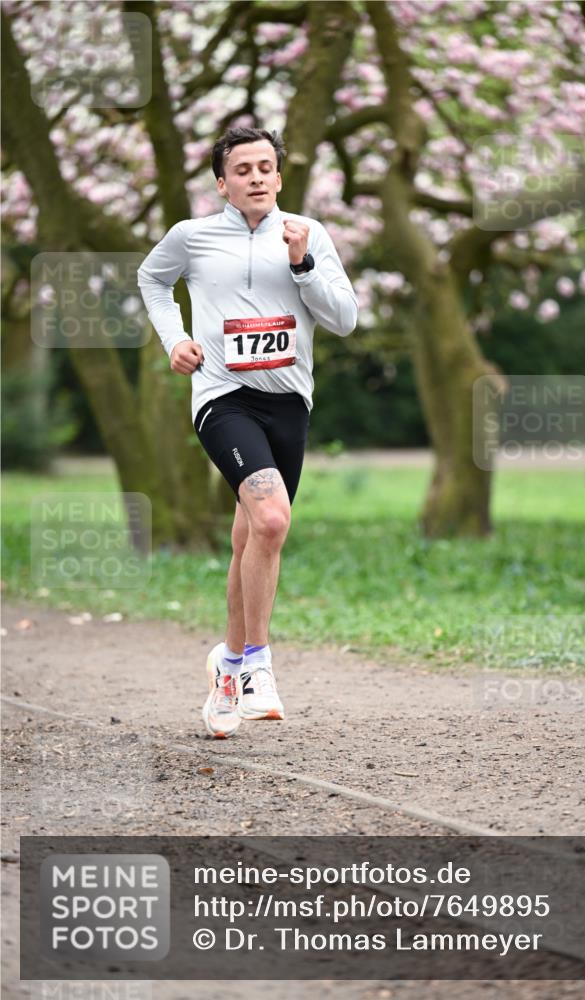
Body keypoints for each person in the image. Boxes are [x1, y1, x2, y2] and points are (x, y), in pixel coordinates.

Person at [137, 126, 358, 739]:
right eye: (242, 169)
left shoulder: (309, 235)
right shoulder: (193, 237)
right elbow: (152, 280)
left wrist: (302, 262)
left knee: (249, 540)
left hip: (288, 403)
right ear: (222, 183)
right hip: (223, 397)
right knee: (271, 520)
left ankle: (226, 670)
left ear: (280, 178)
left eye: (266, 167)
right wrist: (175, 339)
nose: (256, 177)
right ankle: (258, 664)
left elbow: (343, 319)